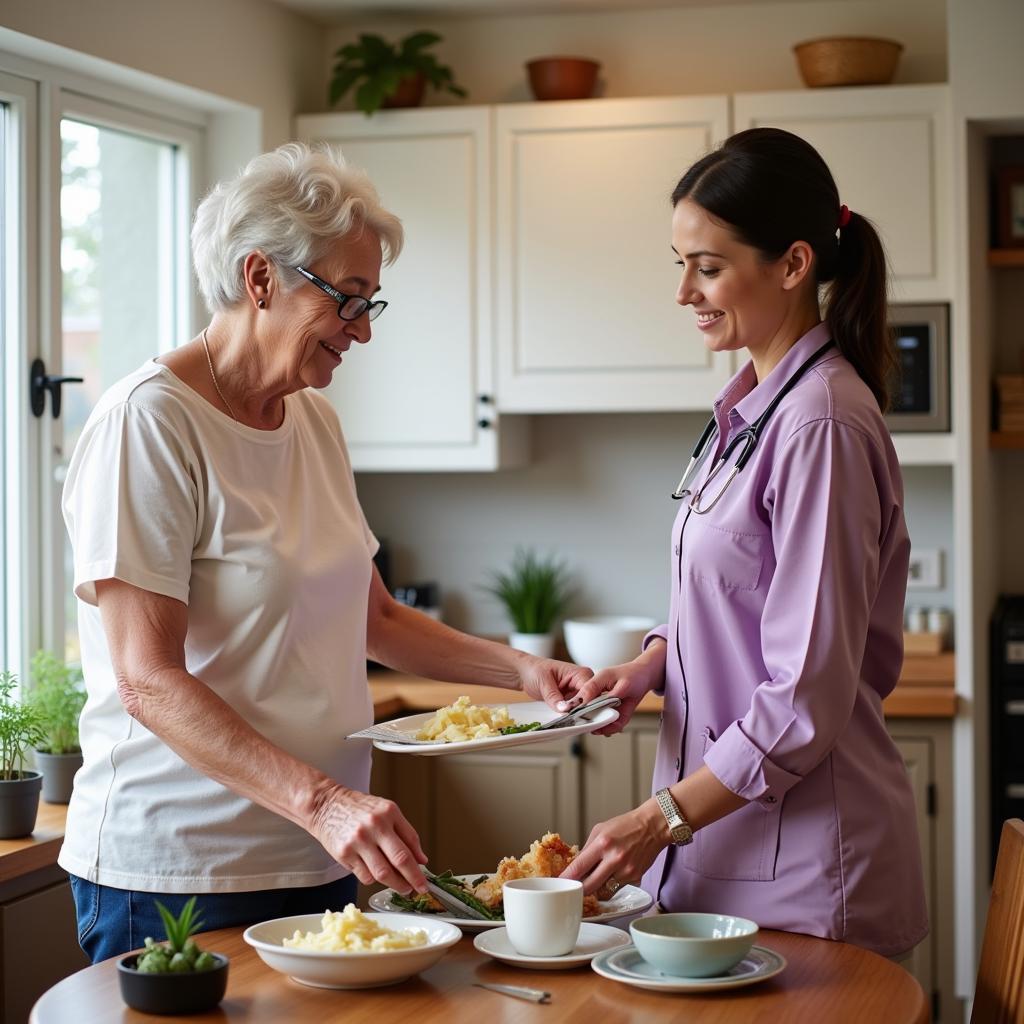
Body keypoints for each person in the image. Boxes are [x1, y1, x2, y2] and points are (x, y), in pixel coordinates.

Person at [60, 142, 592, 962]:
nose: (362, 333)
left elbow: (371, 615)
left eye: (372, 304)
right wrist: (324, 803)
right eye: (347, 300)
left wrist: (519, 671)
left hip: (318, 857)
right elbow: (147, 681)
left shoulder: (312, 419)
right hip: (178, 870)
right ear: (259, 277)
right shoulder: (150, 424)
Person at [559, 127, 928, 957]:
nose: (685, 290)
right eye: (680, 263)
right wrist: (653, 663)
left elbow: (803, 694)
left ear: (794, 264)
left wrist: (659, 820)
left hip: (804, 869)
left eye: (710, 266)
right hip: (725, 855)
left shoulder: (820, 423)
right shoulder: (751, 410)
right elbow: (733, 598)